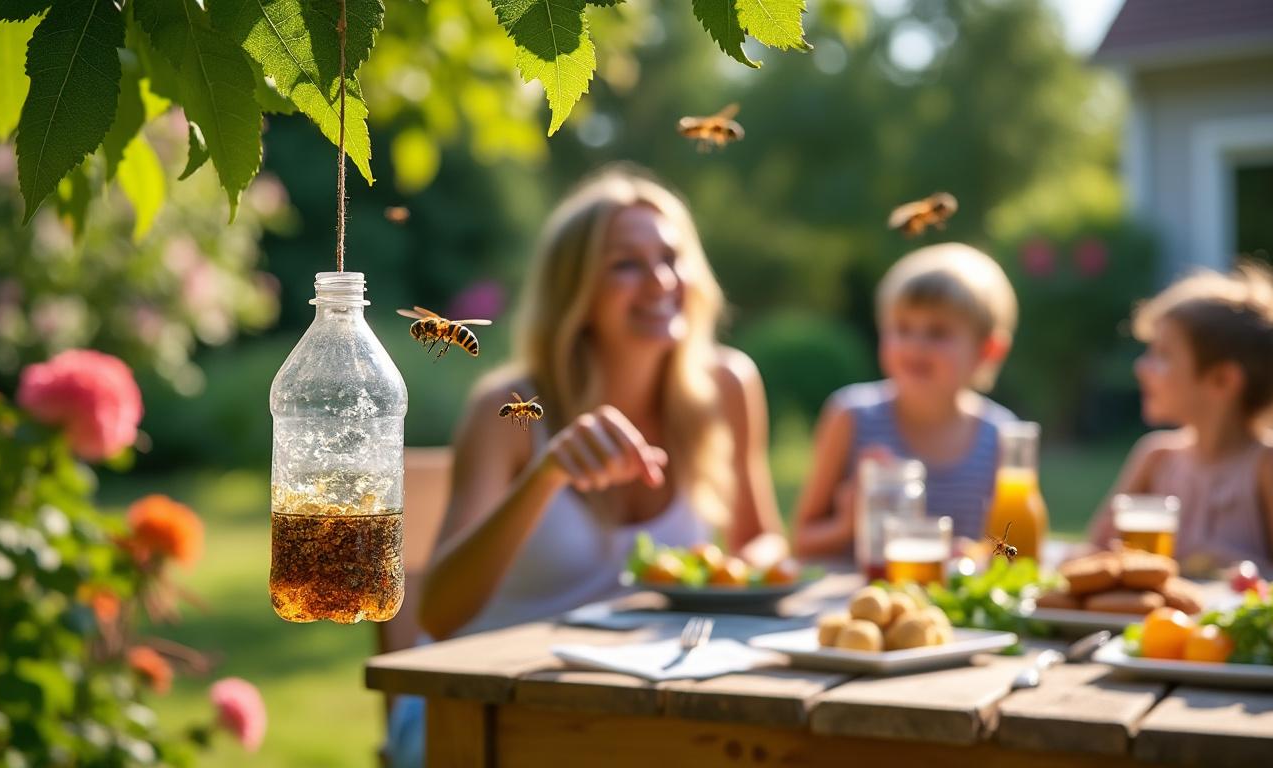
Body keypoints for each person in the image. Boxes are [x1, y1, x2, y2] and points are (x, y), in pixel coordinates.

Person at [417, 165, 786, 641]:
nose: (660, 281)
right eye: (626, 264)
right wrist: (545, 477)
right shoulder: (507, 410)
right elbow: (436, 615)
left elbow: (762, 540)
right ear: (575, 292)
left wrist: (732, 575)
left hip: (621, 689)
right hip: (475, 697)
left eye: (672, 257)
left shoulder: (727, 385)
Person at [791, 243, 1018, 561]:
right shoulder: (851, 416)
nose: (915, 345)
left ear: (988, 350)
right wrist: (849, 521)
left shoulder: (1001, 436)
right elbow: (801, 542)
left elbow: (1013, 551)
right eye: (902, 328)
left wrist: (976, 555)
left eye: (937, 332)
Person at [1089, 264, 1273, 569]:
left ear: (1223, 381)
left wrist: (1232, 565)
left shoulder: (1271, 463)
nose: (1141, 367)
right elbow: (1090, 557)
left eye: (1163, 356)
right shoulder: (1156, 456)